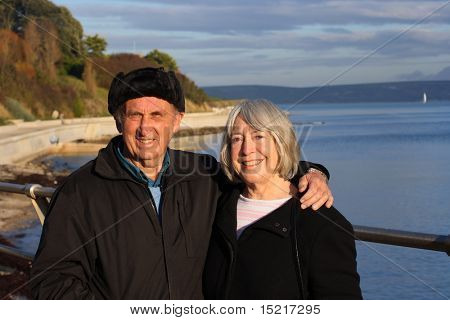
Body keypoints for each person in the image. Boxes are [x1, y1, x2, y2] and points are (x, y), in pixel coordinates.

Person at [30, 67, 333, 299]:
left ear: (176, 121)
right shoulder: (82, 191)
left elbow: (256, 170)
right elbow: (50, 283)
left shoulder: (202, 175)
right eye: (135, 115)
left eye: (157, 115)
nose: (145, 127)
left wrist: (311, 173)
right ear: (119, 121)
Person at [203, 99, 362, 299]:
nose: (246, 150)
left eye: (258, 136)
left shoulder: (322, 224)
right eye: (236, 139)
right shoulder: (216, 201)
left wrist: (315, 171)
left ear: (281, 142)